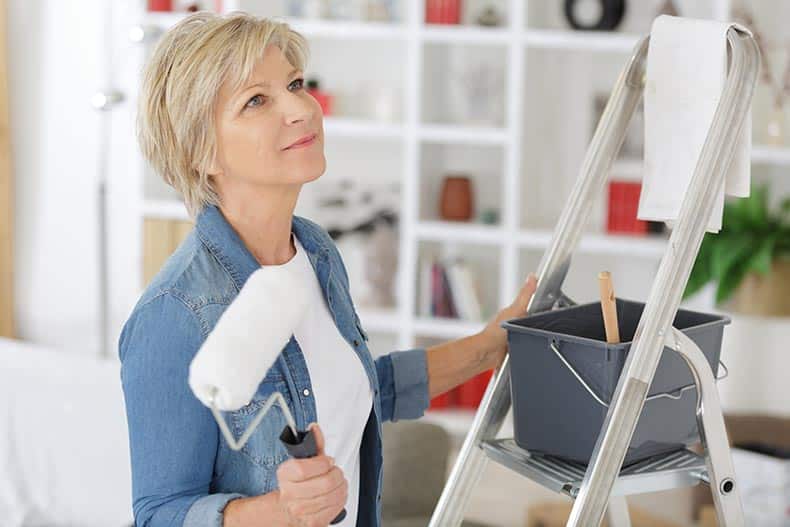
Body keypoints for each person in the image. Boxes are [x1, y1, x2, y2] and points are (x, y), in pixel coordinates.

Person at [119, 11, 538, 527]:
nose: (301, 108)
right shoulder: (175, 314)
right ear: (201, 150)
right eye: (257, 100)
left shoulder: (314, 250)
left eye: (295, 84)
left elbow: (353, 391)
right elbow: (157, 515)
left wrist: (487, 346)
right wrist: (279, 510)